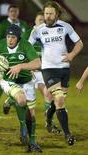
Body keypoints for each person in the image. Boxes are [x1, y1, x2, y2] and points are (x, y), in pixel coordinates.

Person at [29, 1, 83, 146]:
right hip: (48, 69)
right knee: (60, 100)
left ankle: (48, 117)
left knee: (57, 101)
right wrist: (33, 63)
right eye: (46, 13)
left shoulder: (65, 27)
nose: (47, 16)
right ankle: (68, 135)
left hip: (64, 69)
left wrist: (72, 55)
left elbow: (79, 43)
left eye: (50, 13)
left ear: (57, 14)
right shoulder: (38, 30)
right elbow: (28, 46)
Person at [0, 24, 42, 152]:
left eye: (13, 37)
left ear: (18, 38)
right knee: (21, 99)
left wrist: (20, 66)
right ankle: (24, 131)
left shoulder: (25, 45)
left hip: (27, 81)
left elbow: (38, 63)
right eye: (8, 37)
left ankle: (32, 141)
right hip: (8, 80)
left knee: (31, 115)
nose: (10, 40)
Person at [23, 11, 61, 134]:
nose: (42, 22)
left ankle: (49, 122)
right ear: (34, 21)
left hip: (42, 72)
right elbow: (22, 51)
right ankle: (26, 127)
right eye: (39, 20)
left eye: (43, 20)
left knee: (49, 94)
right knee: (24, 100)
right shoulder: (27, 35)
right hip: (29, 72)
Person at [0, 4, 31, 115]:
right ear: (8, 13)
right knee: (1, 82)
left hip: (20, 59)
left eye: (15, 11)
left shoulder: (23, 24)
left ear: (18, 12)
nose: (14, 13)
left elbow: (27, 40)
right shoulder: (3, 25)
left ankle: (10, 101)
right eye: (11, 11)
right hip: (6, 59)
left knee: (22, 83)